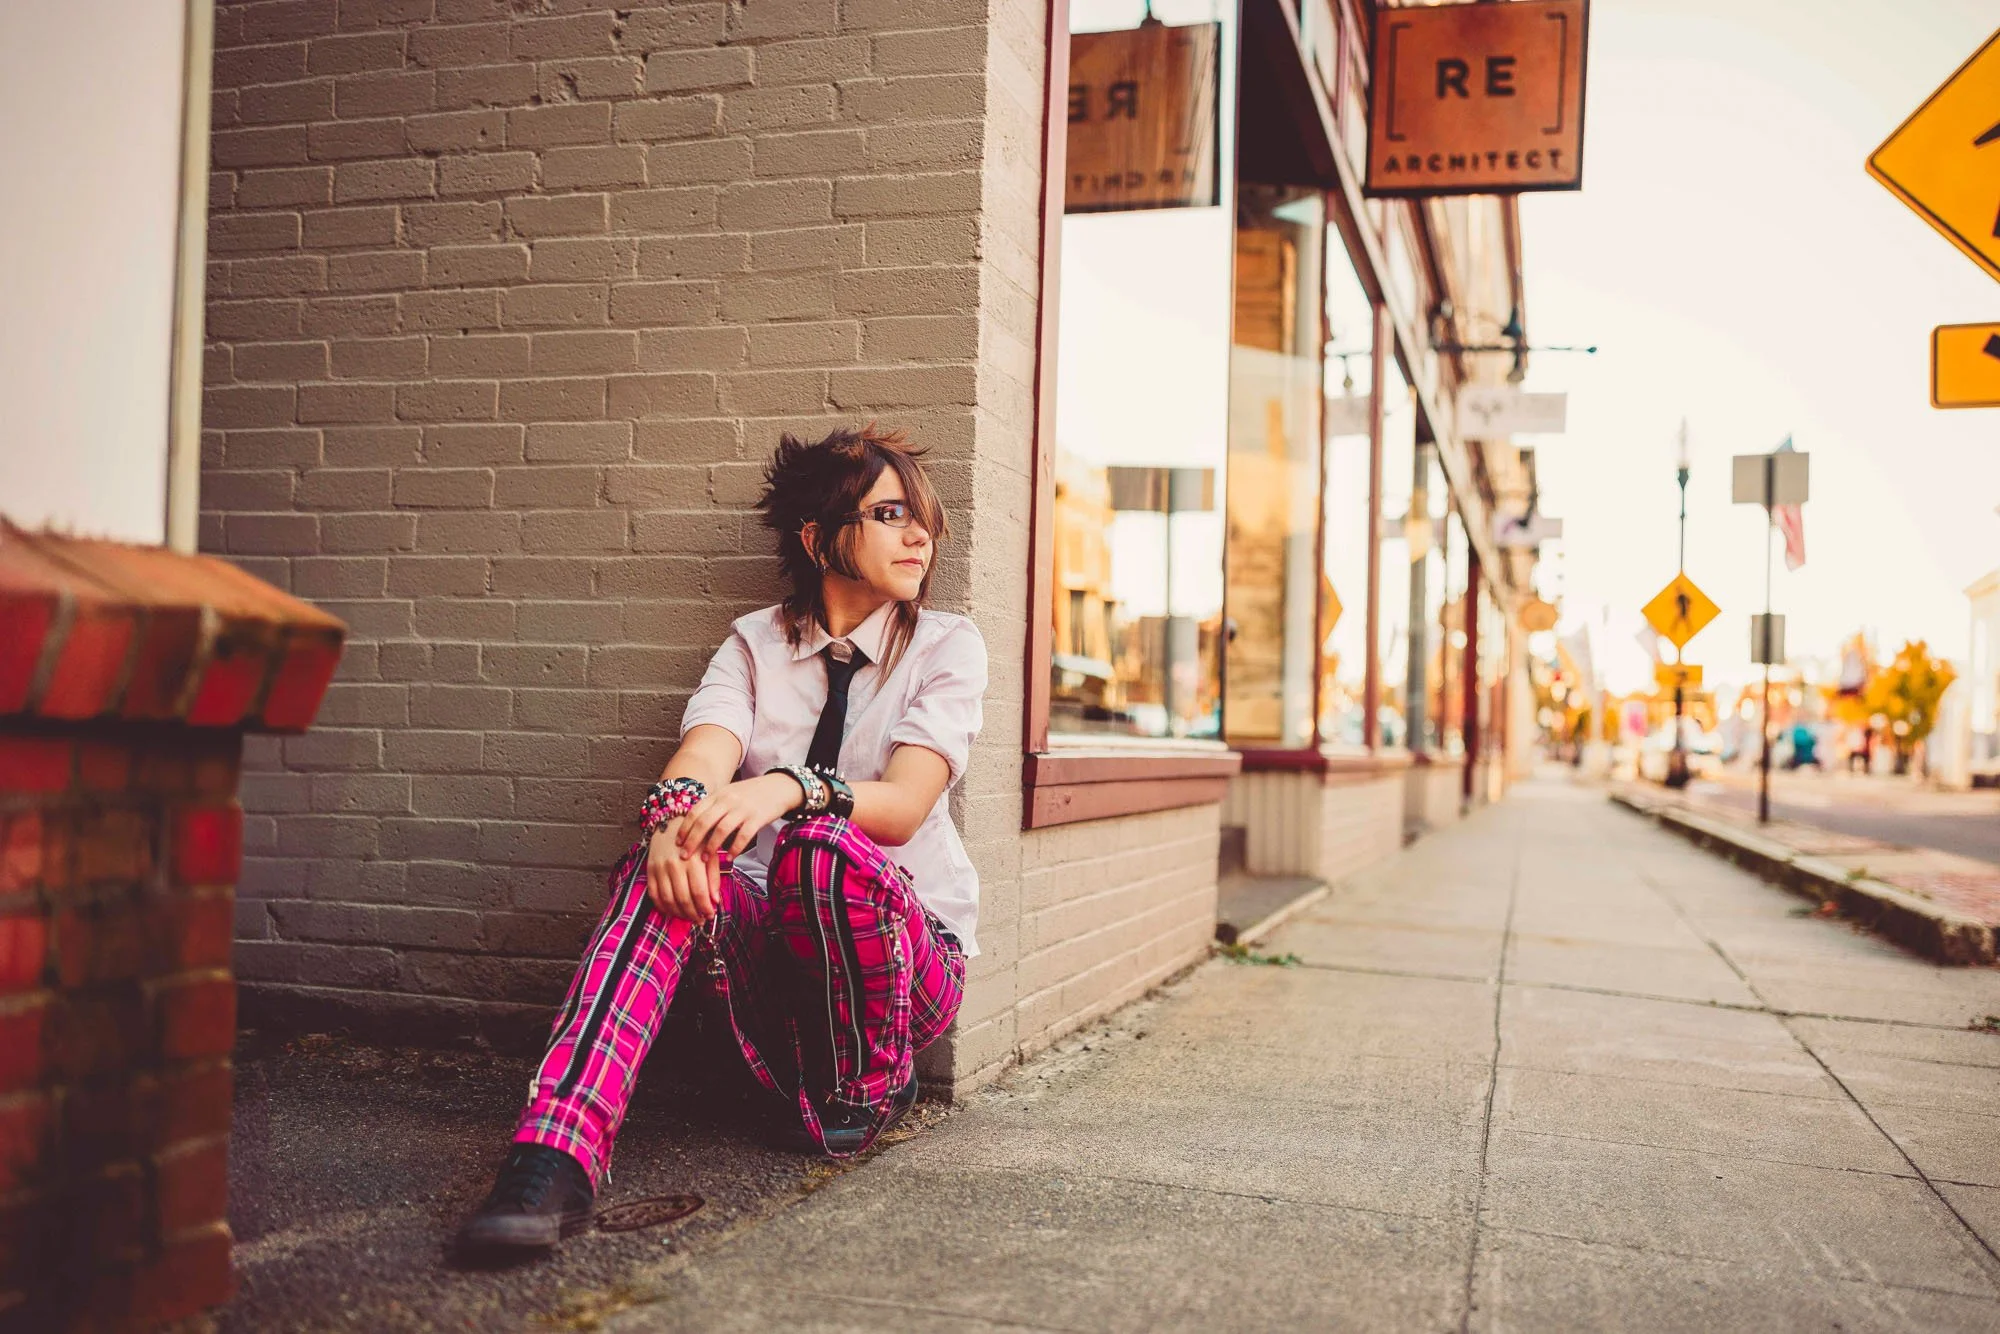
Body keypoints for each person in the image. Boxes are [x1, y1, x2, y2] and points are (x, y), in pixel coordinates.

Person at [456, 425, 987, 1254]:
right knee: (661, 864)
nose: (920, 535)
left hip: (906, 962)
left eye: (924, 517)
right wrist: (672, 825)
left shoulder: (947, 645)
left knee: (820, 842)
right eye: (890, 514)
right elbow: (703, 758)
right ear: (817, 537)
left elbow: (908, 804)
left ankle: (868, 1080)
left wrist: (791, 784)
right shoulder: (754, 645)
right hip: (772, 964)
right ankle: (553, 1153)